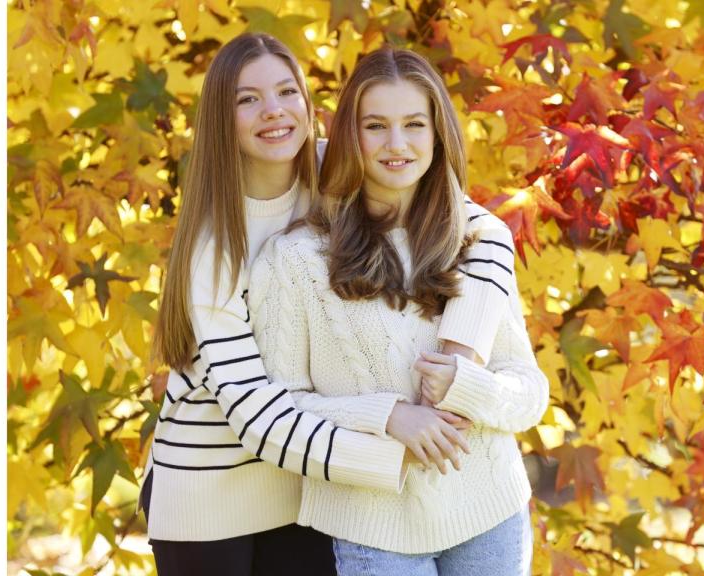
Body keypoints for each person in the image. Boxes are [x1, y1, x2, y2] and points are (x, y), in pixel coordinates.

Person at [142, 33, 515, 576]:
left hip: (311, 483)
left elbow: (480, 227)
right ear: (222, 118)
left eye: (286, 91)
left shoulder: (335, 170)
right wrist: (396, 444)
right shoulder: (215, 247)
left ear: (309, 104)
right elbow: (253, 411)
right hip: (213, 489)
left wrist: (460, 355)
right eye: (247, 99)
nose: (273, 112)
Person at [249, 46, 548, 576]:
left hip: (489, 511)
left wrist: (467, 385)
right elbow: (280, 409)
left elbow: (528, 394)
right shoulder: (297, 260)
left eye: (414, 124)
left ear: (437, 133)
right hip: (372, 527)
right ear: (350, 136)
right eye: (376, 125)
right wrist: (389, 416)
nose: (396, 144)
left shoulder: (478, 241)